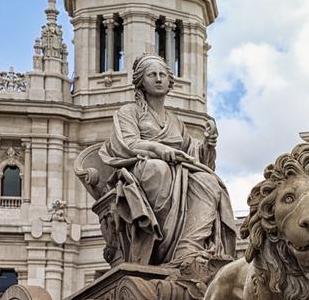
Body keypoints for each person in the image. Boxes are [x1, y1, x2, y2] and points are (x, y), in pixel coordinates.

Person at [98, 53, 237, 267]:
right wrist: (159, 149)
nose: (158, 79)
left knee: (209, 182)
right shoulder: (128, 112)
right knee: (158, 169)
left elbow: (193, 155)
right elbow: (128, 145)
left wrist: (208, 144)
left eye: (162, 75)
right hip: (143, 170)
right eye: (152, 75)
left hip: (178, 171)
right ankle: (160, 248)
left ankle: (187, 247)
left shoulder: (175, 120)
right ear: (141, 81)